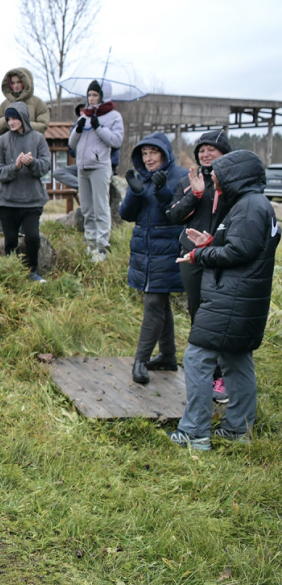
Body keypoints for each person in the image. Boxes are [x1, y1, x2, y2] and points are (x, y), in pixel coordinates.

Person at [170, 150, 280, 450]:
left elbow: (239, 252)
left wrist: (200, 254)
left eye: (218, 177)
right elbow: (249, 247)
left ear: (236, 177)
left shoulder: (249, 207)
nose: (215, 183)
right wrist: (211, 242)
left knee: (197, 358)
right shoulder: (254, 204)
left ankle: (195, 432)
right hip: (244, 299)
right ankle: (238, 430)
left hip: (231, 299)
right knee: (236, 360)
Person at [166, 129, 232, 402]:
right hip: (192, 256)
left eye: (211, 150)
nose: (205, 154)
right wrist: (195, 194)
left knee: (222, 315)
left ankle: (224, 374)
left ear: (224, 153)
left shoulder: (232, 182)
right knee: (199, 315)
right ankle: (207, 372)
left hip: (223, 255)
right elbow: (174, 216)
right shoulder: (188, 180)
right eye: (201, 150)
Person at [119, 133, 188, 385]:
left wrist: (162, 190)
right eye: (144, 153)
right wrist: (135, 193)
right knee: (160, 301)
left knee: (153, 302)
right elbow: (126, 215)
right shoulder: (142, 177)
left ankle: (140, 360)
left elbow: (178, 213)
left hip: (168, 248)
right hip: (144, 249)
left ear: (164, 153)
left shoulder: (181, 176)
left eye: (153, 153)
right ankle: (168, 356)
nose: (148, 159)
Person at [0, 102, 52, 282]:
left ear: (23, 118)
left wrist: (32, 163)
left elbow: (45, 167)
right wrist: (15, 167)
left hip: (32, 201)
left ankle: (32, 272)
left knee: (32, 237)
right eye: (8, 119)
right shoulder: (1, 141)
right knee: (10, 241)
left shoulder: (38, 139)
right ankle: (11, 274)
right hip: (7, 202)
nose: (11, 122)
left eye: (14, 118)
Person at [0, 68, 50, 233]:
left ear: (26, 83)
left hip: (29, 154)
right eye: (12, 82)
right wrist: (9, 122)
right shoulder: (4, 104)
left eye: (19, 82)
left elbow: (43, 125)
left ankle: (27, 232)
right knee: (1, 197)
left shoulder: (37, 103)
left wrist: (23, 124)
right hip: (6, 155)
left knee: (28, 206)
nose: (15, 86)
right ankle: (0, 233)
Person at [68, 80, 124, 262]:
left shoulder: (114, 116)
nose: (91, 98)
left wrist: (98, 127)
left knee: (101, 207)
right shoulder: (84, 116)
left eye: (95, 95)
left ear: (102, 96)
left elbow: (116, 141)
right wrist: (78, 129)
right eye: (89, 95)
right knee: (86, 208)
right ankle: (90, 243)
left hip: (99, 167)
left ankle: (102, 246)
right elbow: (71, 144)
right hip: (82, 167)